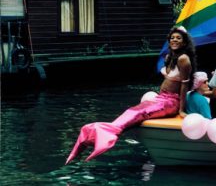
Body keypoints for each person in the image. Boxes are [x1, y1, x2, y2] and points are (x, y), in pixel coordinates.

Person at [65, 26, 197, 164]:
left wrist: (181, 110)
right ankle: (96, 134)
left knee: (138, 113)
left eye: (178, 38)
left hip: (171, 102)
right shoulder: (170, 57)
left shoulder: (184, 59)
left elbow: (184, 85)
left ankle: (106, 135)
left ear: (184, 42)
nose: (174, 40)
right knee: (132, 111)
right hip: (161, 97)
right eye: (172, 38)